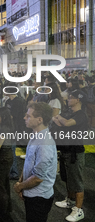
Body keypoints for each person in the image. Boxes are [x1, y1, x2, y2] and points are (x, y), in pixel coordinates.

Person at [14, 102, 57, 222]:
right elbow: (29, 162)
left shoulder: (44, 143)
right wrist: (21, 183)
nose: (24, 118)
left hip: (39, 198)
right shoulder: (36, 136)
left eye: (28, 116)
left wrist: (19, 187)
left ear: (39, 120)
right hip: (31, 192)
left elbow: (38, 178)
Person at [52, 90, 87, 222]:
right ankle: (70, 201)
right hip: (65, 150)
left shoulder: (81, 115)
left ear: (78, 100)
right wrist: (61, 119)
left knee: (77, 182)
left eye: (71, 98)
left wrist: (60, 119)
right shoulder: (69, 113)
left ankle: (78, 210)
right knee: (67, 178)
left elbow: (64, 123)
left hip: (75, 152)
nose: (68, 99)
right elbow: (57, 119)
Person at [0, 107, 15, 222]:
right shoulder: (9, 126)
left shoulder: (4, 128)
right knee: (5, 183)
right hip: (8, 155)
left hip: (3, 157)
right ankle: (7, 207)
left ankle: (2, 214)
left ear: (4, 116)